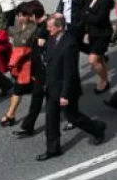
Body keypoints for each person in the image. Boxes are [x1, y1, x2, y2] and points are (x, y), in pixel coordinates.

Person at [37, 16, 106, 161]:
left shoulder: (69, 44)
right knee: (51, 118)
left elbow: (70, 72)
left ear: (60, 27)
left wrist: (65, 95)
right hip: (52, 87)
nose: (47, 29)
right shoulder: (51, 39)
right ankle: (53, 148)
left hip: (65, 89)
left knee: (73, 117)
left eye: (50, 27)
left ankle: (97, 128)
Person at [12, 1, 50, 138]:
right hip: (41, 70)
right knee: (37, 97)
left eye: (28, 15)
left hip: (50, 70)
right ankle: (28, 127)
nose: (27, 18)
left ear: (33, 15)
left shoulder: (47, 26)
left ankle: (87, 124)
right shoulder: (38, 26)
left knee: (60, 101)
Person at [1, 2, 39, 126]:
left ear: (29, 16)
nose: (18, 18)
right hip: (20, 64)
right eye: (17, 15)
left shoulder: (34, 28)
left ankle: (10, 115)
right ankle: (10, 115)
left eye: (21, 15)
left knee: (19, 89)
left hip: (30, 65)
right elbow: (12, 33)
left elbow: (24, 43)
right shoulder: (20, 24)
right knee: (20, 88)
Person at [83, 0, 114, 94]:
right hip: (92, 33)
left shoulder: (104, 0)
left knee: (93, 60)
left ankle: (103, 79)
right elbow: (84, 12)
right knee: (100, 58)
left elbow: (99, 19)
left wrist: (87, 15)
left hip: (102, 34)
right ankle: (105, 79)